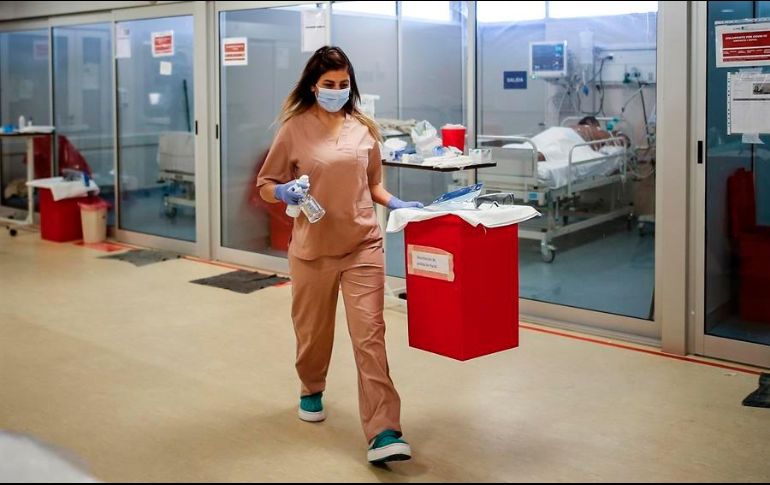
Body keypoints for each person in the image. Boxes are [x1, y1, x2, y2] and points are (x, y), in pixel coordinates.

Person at [256, 46, 423, 464]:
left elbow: (374, 185)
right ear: (314, 86)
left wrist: (397, 202)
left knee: (370, 337)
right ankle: (311, 387)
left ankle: (384, 430)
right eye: (328, 85)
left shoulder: (363, 128)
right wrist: (281, 191)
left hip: (362, 244)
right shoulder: (294, 129)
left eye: (343, 84)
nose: (337, 91)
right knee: (313, 336)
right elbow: (266, 182)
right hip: (312, 251)